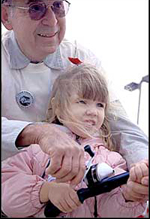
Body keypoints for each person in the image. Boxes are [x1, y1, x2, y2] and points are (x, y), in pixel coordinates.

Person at [1, 0, 148, 200]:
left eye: (58, 6)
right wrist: (38, 132)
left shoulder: (83, 58)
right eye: (35, 7)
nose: (52, 20)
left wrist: (142, 170)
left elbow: (121, 127)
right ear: (6, 16)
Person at [2, 64, 148, 218]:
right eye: (82, 102)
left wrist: (130, 195)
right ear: (57, 107)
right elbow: (7, 196)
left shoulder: (113, 160)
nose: (93, 111)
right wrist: (46, 191)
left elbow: (112, 210)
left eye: (100, 105)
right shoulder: (35, 150)